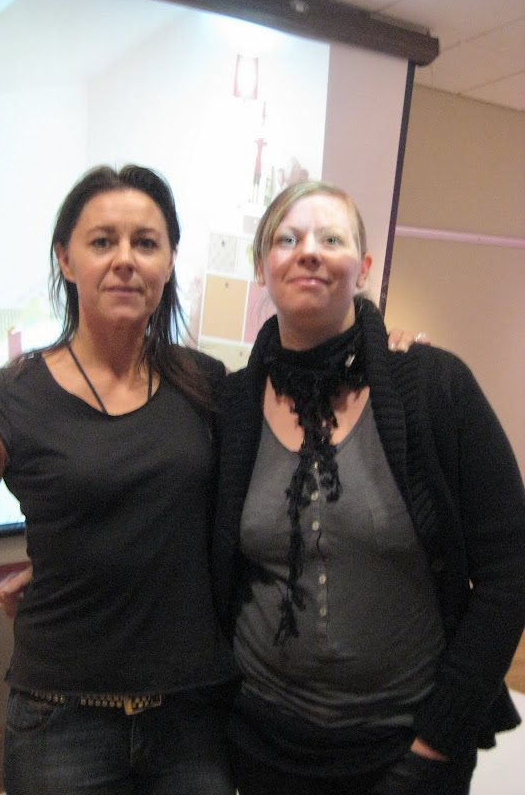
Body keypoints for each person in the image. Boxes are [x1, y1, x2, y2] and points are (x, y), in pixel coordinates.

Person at [0, 164, 239, 795]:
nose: (125, 260)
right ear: (66, 260)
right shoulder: (8, 400)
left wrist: (384, 354)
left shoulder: (207, 385)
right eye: (102, 241)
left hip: (192, 716)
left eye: (145, 243)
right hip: (61, 721)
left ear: (169, 262)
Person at [211, 180, 525, 794]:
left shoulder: (433, 387)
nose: (309, 251)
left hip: (406, 750)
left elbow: (510, 568)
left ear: (365, 267)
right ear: (261, 267)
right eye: (287, 239)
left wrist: (439, 739)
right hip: (262, 745)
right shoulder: (233, 406)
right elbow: (174, 528)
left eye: (332, 239)